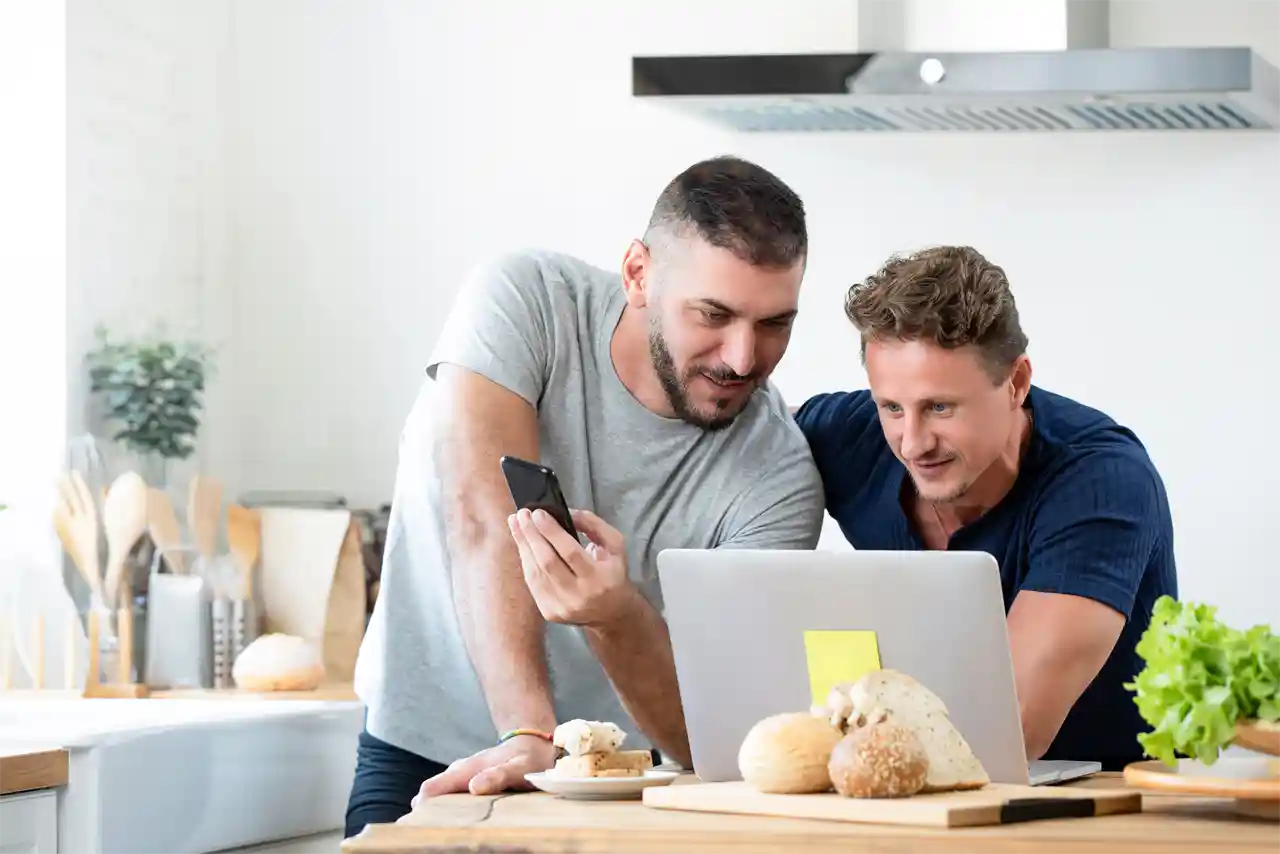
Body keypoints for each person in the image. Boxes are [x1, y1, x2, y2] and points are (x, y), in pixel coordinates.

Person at [345, 155, 825, 837]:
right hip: (431, 750)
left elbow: (710, 736)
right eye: (713, 315)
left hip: (619, 788)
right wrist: (526, 730)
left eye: (775, 324)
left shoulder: (777, 476)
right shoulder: (527, 299)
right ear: (638, 274)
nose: (742, 358)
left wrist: (618, 617)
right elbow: (483, 517)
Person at [794, 245, 1177, 771]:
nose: (911, 443)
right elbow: (741, 432)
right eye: (891, 407)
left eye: (940, 407)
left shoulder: (1104, 482)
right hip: (914, 791)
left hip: (1112, 804)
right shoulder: (850, 436)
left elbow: (1011, 728)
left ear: (1016, 383)